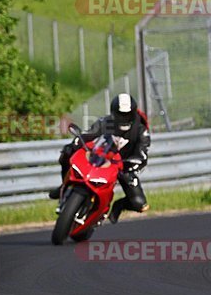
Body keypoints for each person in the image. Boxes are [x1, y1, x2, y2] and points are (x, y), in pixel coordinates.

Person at [49, 93, 150, 224]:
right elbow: (89, 134)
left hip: (124, 166)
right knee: (66, 154)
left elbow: (142, 154)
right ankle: (64, 186)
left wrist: (130, 166)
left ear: (133, 114)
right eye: (120, 114)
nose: (124, 118)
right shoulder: (106, 122)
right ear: (113, 113)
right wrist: (74, 144)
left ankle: (117, 206)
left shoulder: (141, 130)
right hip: (102, 158)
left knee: (140, 204)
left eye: (127, 114)